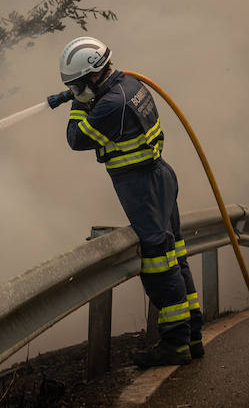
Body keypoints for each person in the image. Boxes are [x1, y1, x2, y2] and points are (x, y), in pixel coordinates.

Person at [58, 36, 204, 368]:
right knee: (176, 257)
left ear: (93, 75)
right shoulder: (131, 85)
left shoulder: (111, 104)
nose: (76, 91)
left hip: (143, 187)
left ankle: (175, 344)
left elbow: (76, 139)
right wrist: (83, 94)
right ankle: (193, 335)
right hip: (159, 178)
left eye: (77, 85)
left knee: (158, 264)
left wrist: (79, 104)